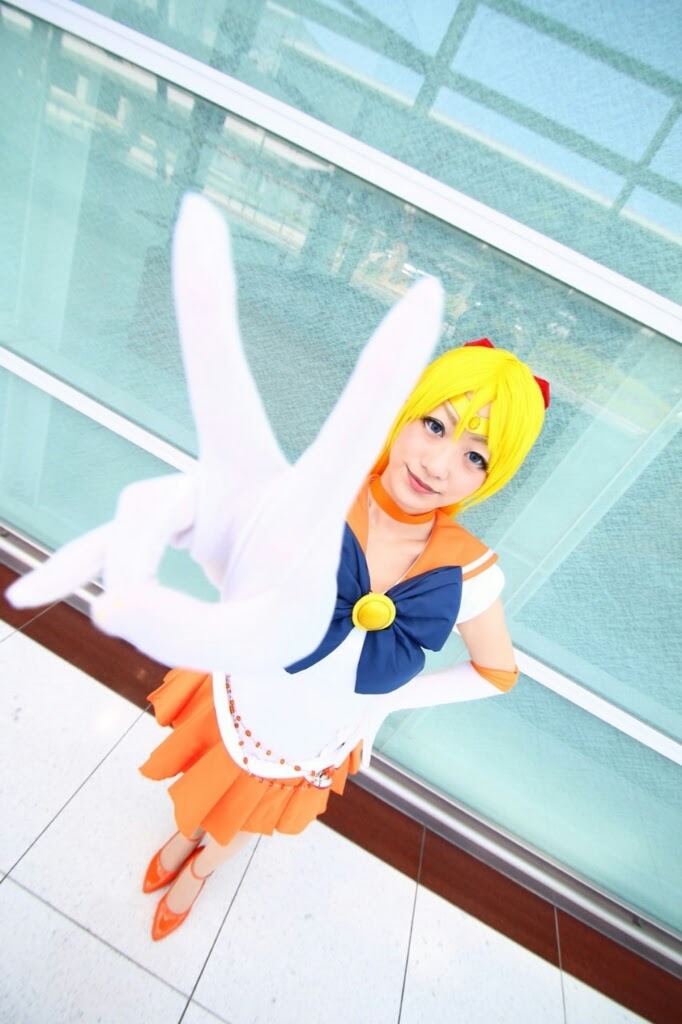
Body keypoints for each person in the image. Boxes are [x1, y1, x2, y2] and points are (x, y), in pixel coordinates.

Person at [5, 195, 548, 942]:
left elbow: (497, 672)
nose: (438, 463)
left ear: (492, 476)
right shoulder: (319, 494)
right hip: (249, 691)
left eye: (475, 456)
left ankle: (199, 867)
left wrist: (383, 703)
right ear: (403, 413)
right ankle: (184, 841)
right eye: (435, 424)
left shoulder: (471, 571)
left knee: (244, 812)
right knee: (208, 782)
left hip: (317, 732)